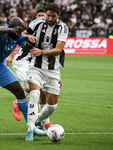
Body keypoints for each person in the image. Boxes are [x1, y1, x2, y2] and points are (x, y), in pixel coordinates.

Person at [24, 3, 68, 141]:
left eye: (53, 16)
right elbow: (24, 34)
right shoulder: (37, 22)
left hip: (53, 69)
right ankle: (30, 129)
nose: (49, 18)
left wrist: (41, 51)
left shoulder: (63, 28)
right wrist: (28, 37)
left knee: (52, 106)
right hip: (35, 66)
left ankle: (37, 121)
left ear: (58, 16)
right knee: (35, 93)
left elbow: (58, 49)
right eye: (48, 15)